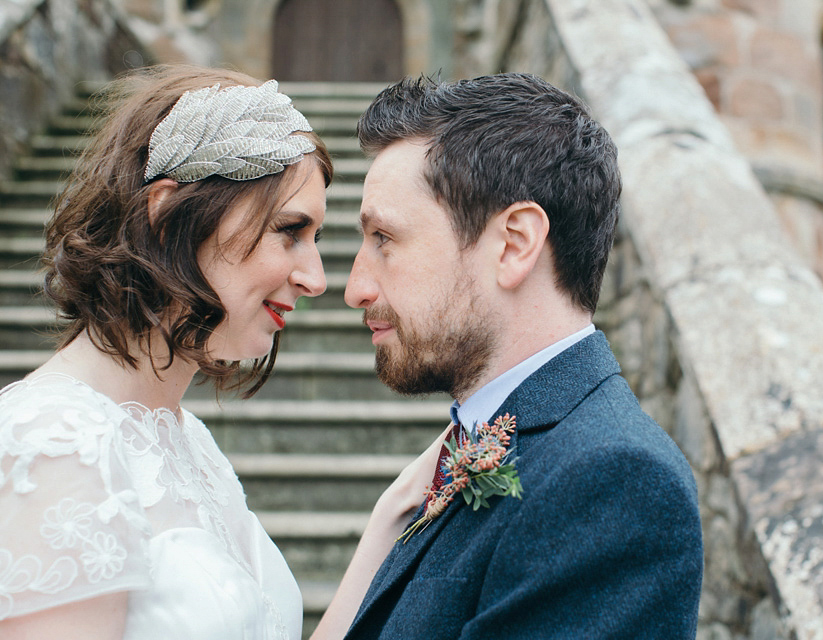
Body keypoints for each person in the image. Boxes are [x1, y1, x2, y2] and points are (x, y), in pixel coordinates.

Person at [0, 65, 439, 640]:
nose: (315, 278)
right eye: (289, 230)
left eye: (316, 239)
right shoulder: (51, 445)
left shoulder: (187, 439)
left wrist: (392, 517)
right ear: (167, 214)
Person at [337, 73, 703, 639]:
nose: (355, 288)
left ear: (514, 244)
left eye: (384, 239)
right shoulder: (499, 443)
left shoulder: (612, 483)